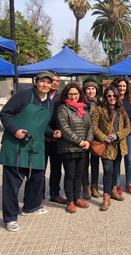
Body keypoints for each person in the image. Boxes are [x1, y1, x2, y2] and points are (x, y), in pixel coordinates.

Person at [0, 71, 61, 232]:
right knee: (12, 184)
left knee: (37, 179)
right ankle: (10, 217)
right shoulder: (23, 96)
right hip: (16, 146)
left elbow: (43, 125)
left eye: (49, 82)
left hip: (37, 146)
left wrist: (52, 133)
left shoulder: (50, 102)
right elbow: (5, 113)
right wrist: (15, 130)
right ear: (36, 82)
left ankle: (30, 207)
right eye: (43, 82)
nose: (45, 85)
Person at [91, 86, 130, 211]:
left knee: (115, 170)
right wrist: (104, 137)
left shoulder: (121, 110)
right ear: (105, 97)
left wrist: (117, 135)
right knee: (107, 170)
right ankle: (106, 197)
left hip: (118, 145)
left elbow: (128, 128)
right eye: (109, 95)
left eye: (114, 95)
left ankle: (114, 191)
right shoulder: (99, 110)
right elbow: (94, 126)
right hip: (107, 145)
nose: (112, 98)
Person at [57, 83, 93, 213]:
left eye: (76, 94)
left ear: (80, 95)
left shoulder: (83, 108)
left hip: (83, 148)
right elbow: (64, 128)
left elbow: (90, 127)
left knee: (79, 174)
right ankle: (70, 200)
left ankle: (78, 198)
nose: (73, 97)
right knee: (70, 175)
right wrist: (80, 141)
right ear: (66, 95)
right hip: (68, 148)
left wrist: (88, 141)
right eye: (71, 94)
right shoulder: (63, 108)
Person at [112, 77, 131, 195]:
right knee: (117, 159)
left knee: (129, 159)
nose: (122, 88)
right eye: (119, 86)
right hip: (117, 134)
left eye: (124, 86)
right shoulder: (112, 99)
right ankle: (118, 184)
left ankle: (129, 183)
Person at [43, 71, 67, 205]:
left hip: (57, 138)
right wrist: (46, 135)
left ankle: (54, 194)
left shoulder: (60, 98)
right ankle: (39, 197)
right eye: (53, 80)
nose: (55, 83)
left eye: (57, 81)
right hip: (42, 138)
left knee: (56, 168)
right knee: (40, 168)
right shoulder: (39, 95)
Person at [81, 78, 102, 199]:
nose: (90, 91)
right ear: (84, 90)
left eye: (93, 88)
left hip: (96, 137)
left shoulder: (99, 103)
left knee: (95, 163)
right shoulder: (81, 103)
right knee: (84, 164)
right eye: (88, 89)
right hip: (83, 137)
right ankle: (86, 188)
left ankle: (94, 187)